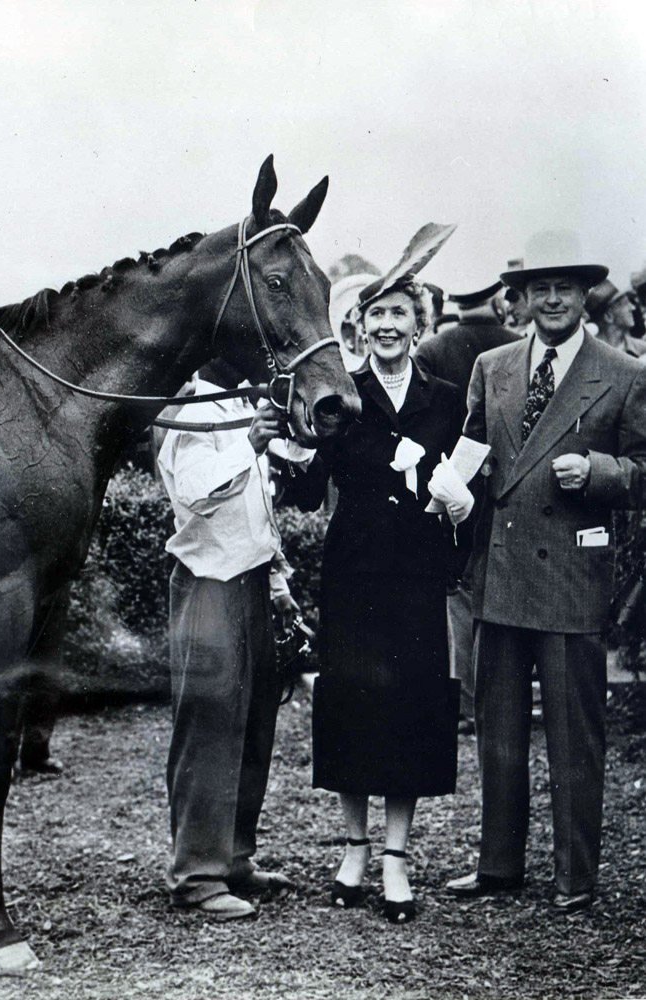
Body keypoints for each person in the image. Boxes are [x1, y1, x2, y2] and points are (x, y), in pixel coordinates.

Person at [446, 254, 646, 913]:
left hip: (570, 577)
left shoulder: (624, 374)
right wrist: (451, 487)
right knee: (498, 732)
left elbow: (643, 469)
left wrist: (601, 473)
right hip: (499, 577)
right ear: (521, 299)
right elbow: (473, 455)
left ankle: (574, 877)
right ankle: (498, 868)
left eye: (565, 289)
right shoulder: (493, 367)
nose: (553, 300)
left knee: (574, 738)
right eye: (540, 290)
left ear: (587, 296)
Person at [299, 244, 473, 924]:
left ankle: (397, 857)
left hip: (417, 575)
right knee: (353, 705)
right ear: (359, 328)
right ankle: (355, 847)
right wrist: (302, 446)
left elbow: (465, 480)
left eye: (401, 312)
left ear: (420, 323)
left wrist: (456, 500)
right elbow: (316, 478)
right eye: (377, 315)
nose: (389, 325)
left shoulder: (447, 401)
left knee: (411, 707)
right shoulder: (342, 394)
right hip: (356, 572)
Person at [156, 358, 305, 920]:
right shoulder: (192, 409)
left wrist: (277, 581)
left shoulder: (246, 403)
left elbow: (256, 511)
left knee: (252, 728)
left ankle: (235, 857)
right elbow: (195, 495)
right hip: (208, 585)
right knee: (209, 731)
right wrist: (250, 443)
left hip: (249, 582)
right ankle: (196, 875)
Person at [415, 282, 522, 732]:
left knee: (457, 592)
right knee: (502, 591)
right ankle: (503, 699)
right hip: (508, 486)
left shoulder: (433, 348)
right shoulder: (518, 345)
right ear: (496, 298)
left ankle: (463, 703)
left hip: (453, 480)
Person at [586, 280, 646, 357]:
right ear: (608, 316)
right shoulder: (588, 353)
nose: (633, 308)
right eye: (625, 304)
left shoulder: (642, 350)